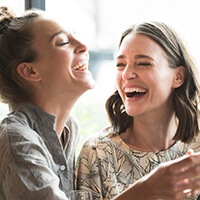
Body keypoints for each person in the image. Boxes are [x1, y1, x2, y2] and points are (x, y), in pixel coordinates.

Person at [76, 21, 200, 200]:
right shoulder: (97, 152)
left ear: (178, 76)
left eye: (143, 63)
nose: (126, 74)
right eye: (120, 65)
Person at [0, 6, 95, 200]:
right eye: (63, 42)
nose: (83, 45)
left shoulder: (69, 129)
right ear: (30, 71)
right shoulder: (17, 140)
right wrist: (144, 190)